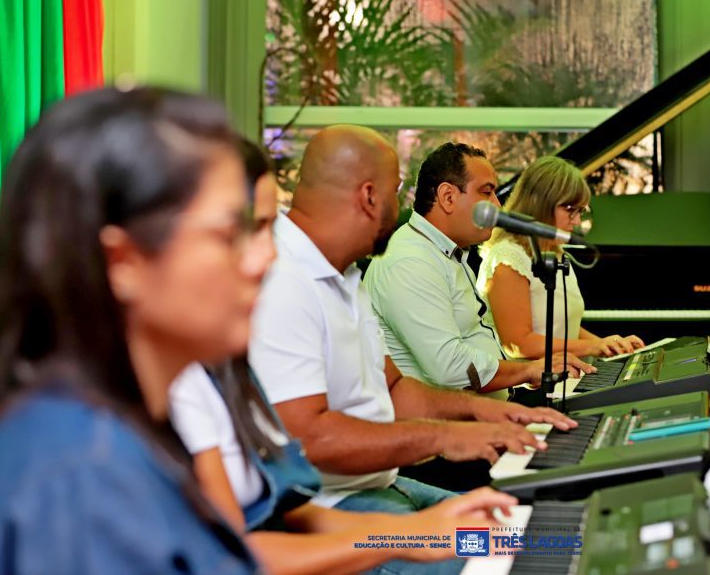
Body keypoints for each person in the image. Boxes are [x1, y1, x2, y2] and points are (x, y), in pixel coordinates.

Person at [170, 140, 516, 575]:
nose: (266, 255)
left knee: (522, 537)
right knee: (504, 556)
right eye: (242, 232)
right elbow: (248, 543)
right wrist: (438, 453)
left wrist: (420, 531)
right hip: (344, 501)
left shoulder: (342, 276)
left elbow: (277, 513)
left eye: (265, 227)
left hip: (364, 494)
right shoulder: (283, 287)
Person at [0, 87, 263, 573]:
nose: (263, 258)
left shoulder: (123, 431)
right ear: (122, 262)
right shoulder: (84, 480)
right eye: (230, 235)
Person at [248, 125, 578, 512]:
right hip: (332, 506)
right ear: (370, 197)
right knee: (514, 546)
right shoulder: (284, 279)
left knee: (528, 530)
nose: (400, 205)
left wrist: (485, 411)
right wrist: (442, 437)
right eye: (395, 190)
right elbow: (306, 439)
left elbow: (395, 389)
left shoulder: (342, 274)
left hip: (378, 483)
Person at [364, 142, 594, 397]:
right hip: (443, 430)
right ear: (448, 197)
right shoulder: (410, 262)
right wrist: (525, 371)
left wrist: (526, 374)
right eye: (486, 193)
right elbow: (450, 367)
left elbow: (475, 343)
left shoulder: (446, 252)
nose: (496, 204)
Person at [476, 155, 644, 360]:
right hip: (523, 386)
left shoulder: (555, 253)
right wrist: (593, 347)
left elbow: (565, 328)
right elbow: (518, 345)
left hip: (561, 375)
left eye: (581, 211)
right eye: (570, 209)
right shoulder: (507, 256)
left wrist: (609, 345)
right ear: (540, 204)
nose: (577, 220)